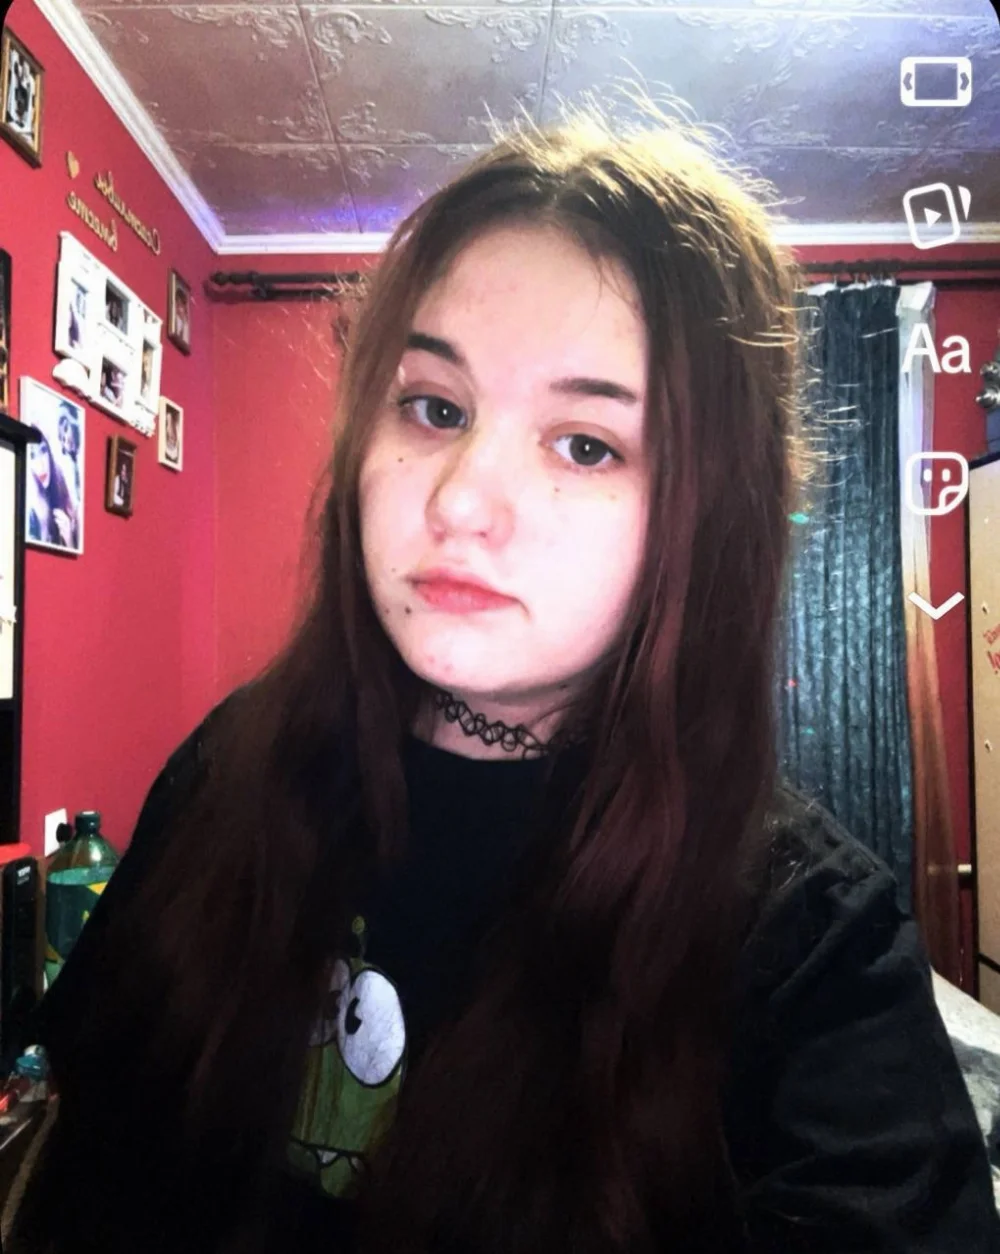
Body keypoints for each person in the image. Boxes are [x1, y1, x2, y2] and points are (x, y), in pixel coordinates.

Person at [8, 97, 999, 1254]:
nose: (461, 500)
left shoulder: (812, 941)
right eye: (433, 408)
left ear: (705, 520)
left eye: (586, 443)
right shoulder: (232, 768)